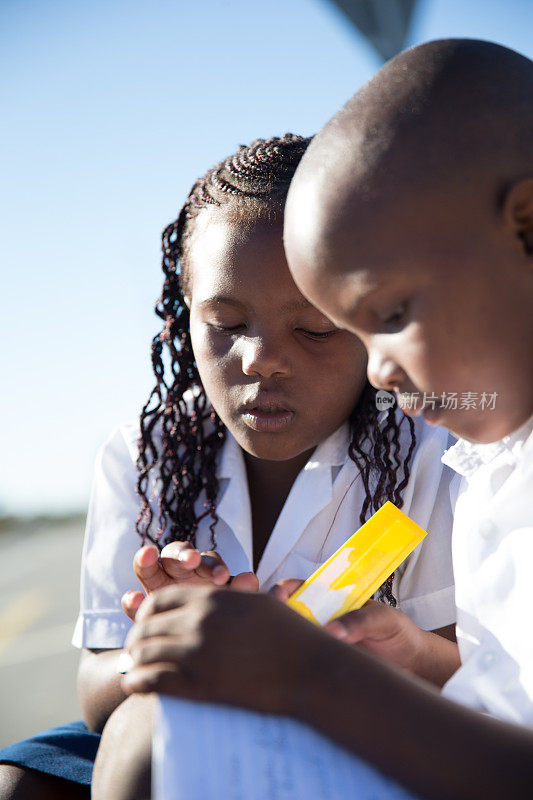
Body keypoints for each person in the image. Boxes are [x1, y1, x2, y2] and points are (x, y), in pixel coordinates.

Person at [119, 39, 533, 800]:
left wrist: (312, 675)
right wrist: (401, 656)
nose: (377, 369)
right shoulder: (494, 460)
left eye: (388, 316)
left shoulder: (448, 449)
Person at [0, 134, 457, 800]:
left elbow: (466, 681)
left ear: (367, 321)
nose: (261, 359)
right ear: (181, 318)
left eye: (314, 329)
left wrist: (371, 657)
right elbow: (99, 689)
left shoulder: (428, 447)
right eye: (225, 322)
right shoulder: (141, 452)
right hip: (187, 703)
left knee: (150, 752)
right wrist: (176, 644)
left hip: (373, 724)